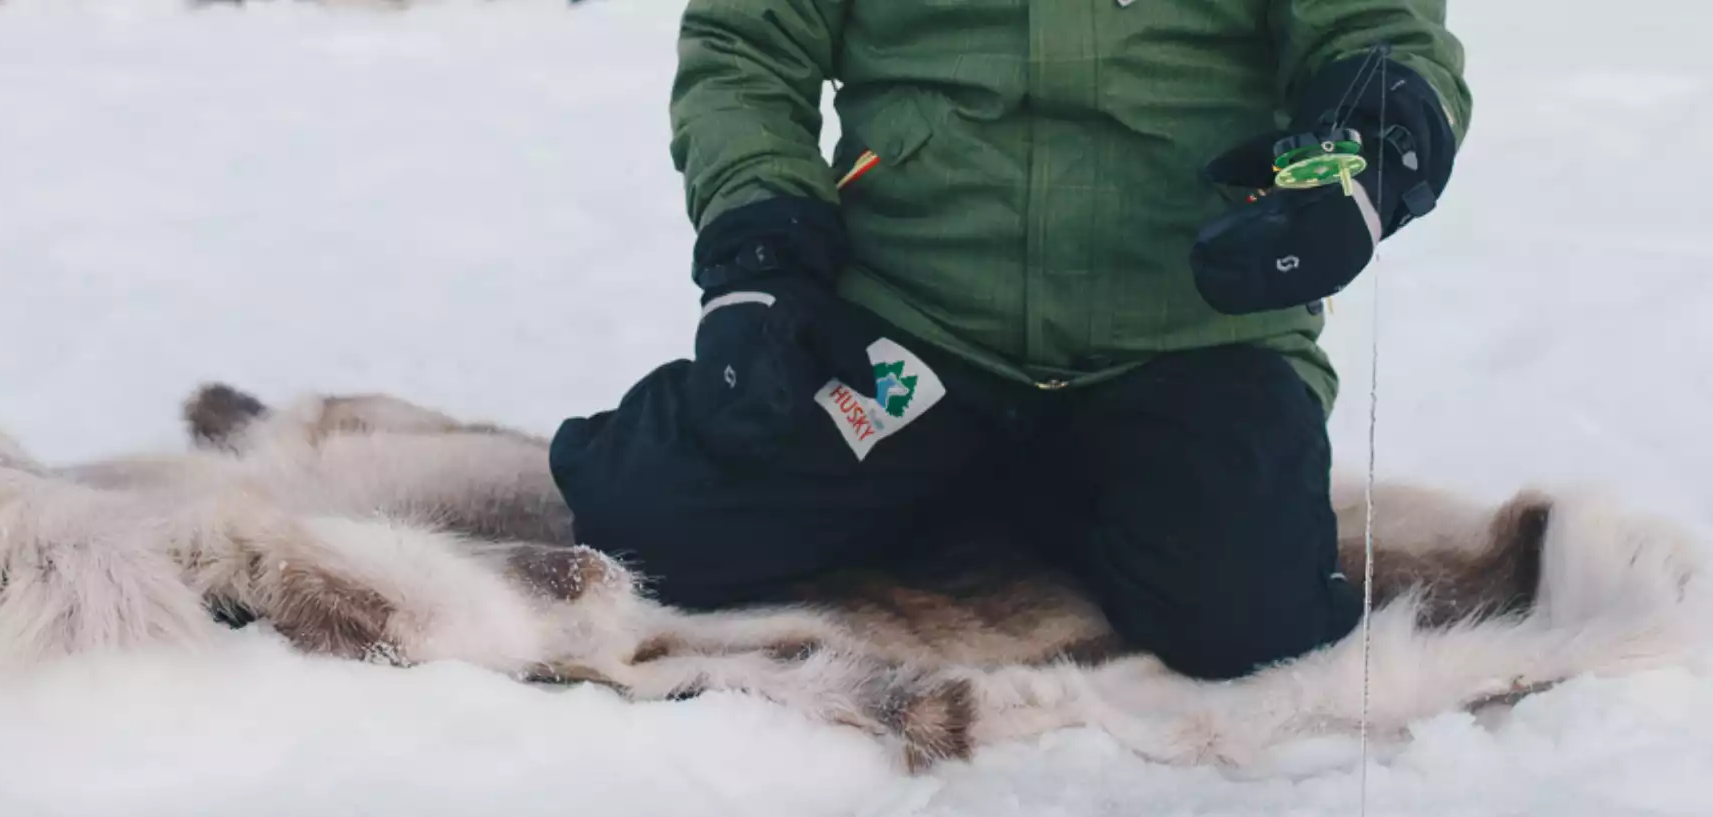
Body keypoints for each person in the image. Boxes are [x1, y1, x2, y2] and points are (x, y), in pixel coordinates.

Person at [549, 0, 1469, 681]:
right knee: (655, 528)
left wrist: (1366, 160)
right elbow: (750, 42)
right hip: (914, 321)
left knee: (1250, 624)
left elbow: (1377, 31)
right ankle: (938, 469)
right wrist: (759, 250)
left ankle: (1008, 487)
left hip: (1191, 335)